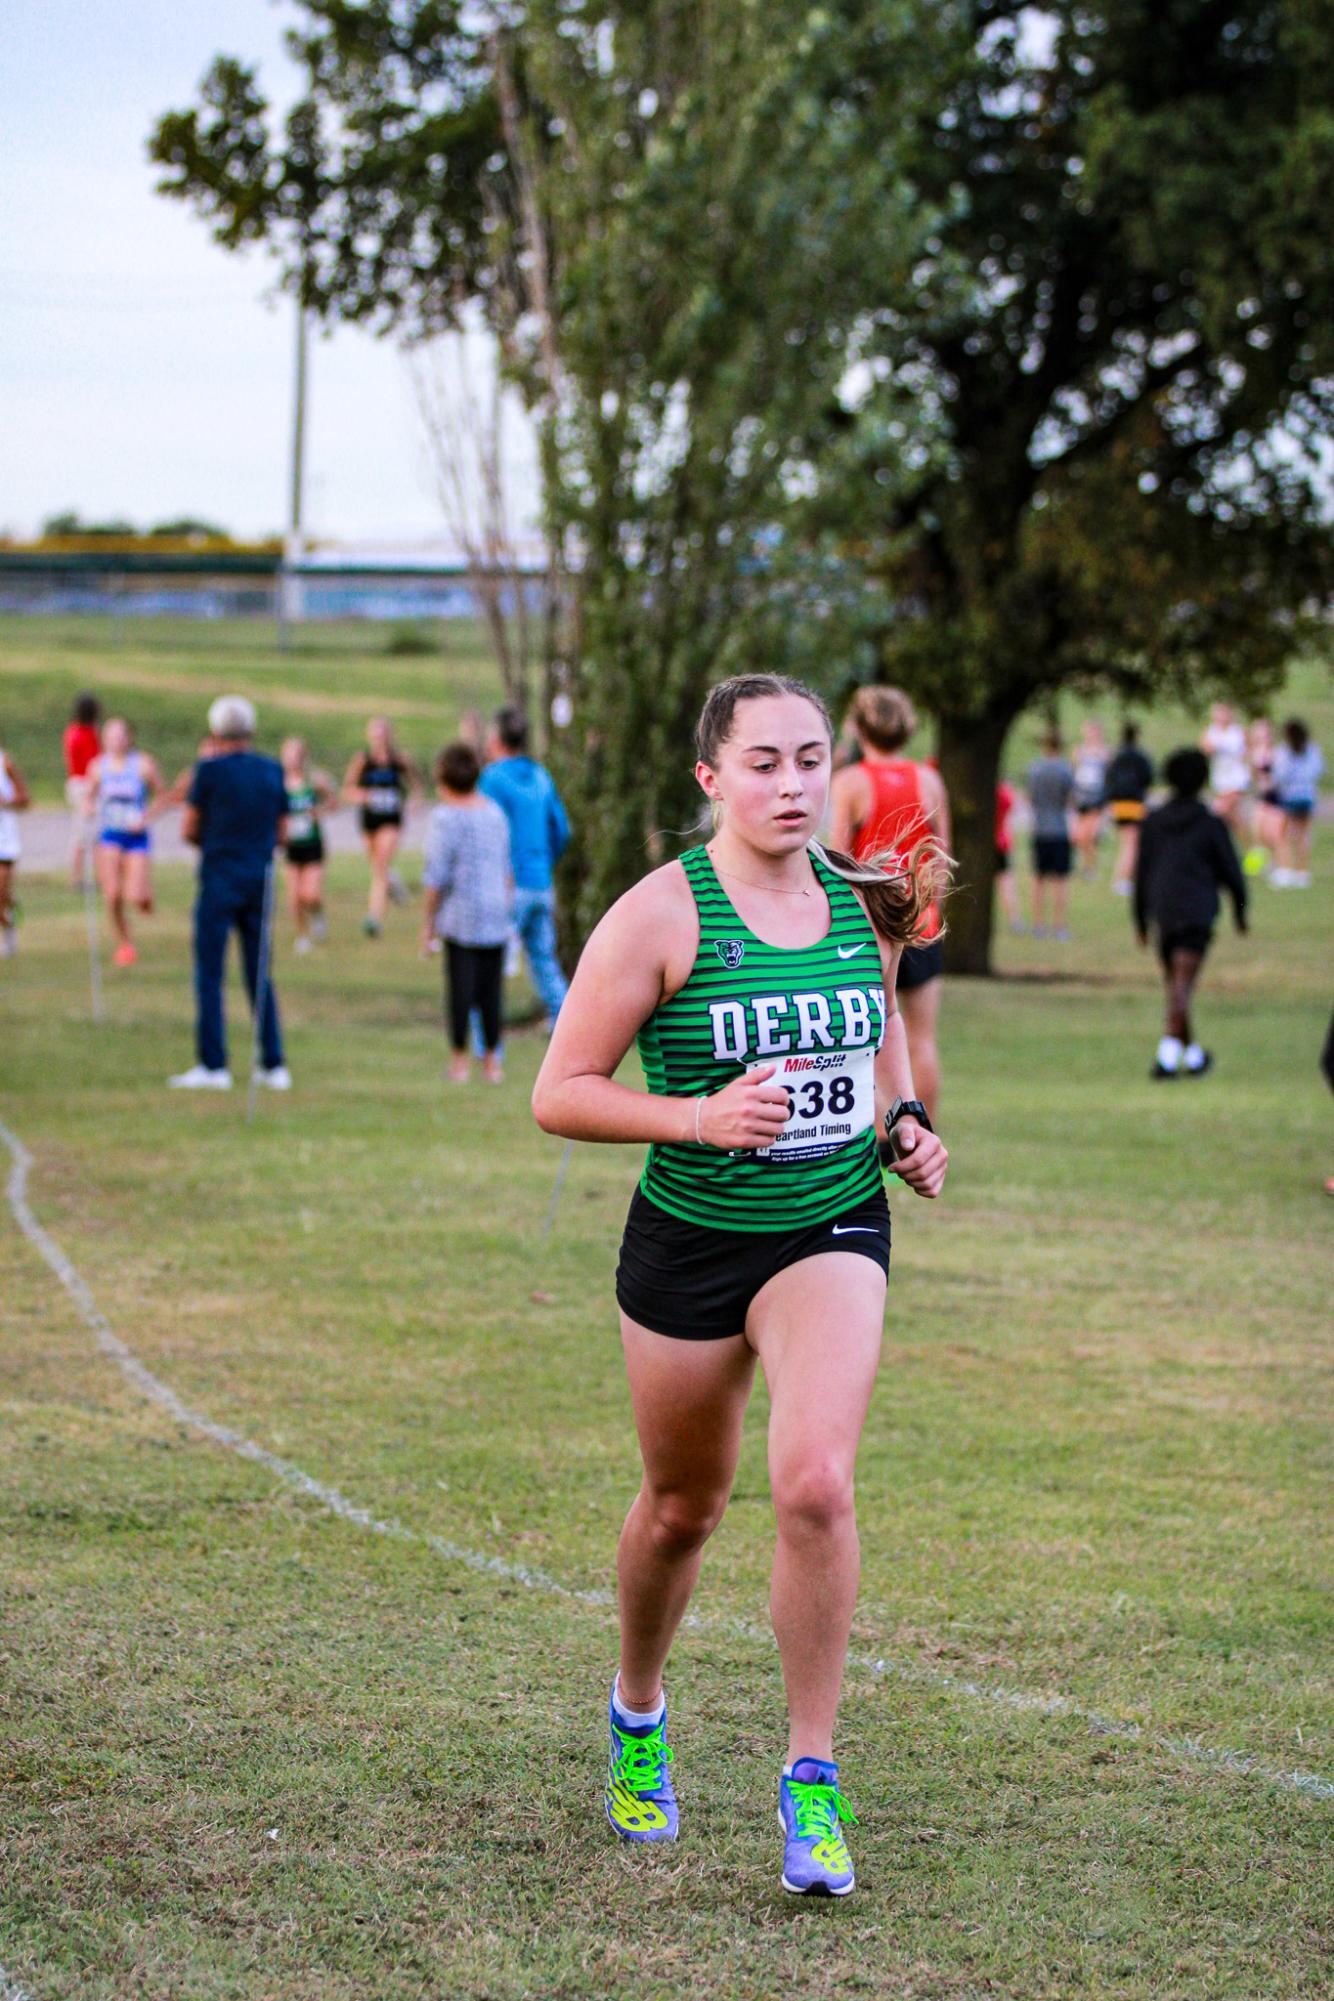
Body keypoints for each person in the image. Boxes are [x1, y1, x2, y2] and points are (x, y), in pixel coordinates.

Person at [531, 672, 949, 1898]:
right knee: (681, 1508)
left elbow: (875, 1036)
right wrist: (696, 1116)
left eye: (809, 759)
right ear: (710, 779)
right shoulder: (660, 916)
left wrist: (905, 1121)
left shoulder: (863, 901)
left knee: (813, 1485)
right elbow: (560, 1088)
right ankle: (638, 1713)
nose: (791, 784)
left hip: (827, 1224)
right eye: (761, 763)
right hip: (689, 1244)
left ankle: (809, 1786)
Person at [828, 686, 949, 1125]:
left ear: (859, 728)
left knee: (867, 1040)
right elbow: (941, 855)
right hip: (921, 921)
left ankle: (881, 1134)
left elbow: (836, 859)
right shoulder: (929, 779)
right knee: (921, 1039)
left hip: (867, 927)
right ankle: (923, 1135)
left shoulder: (850, 782)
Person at [169, 697, 289, 1091]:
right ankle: (274, 1063)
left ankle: (213, 1064)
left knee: (210, 972)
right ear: (251, 732)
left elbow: (188, 827)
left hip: (219, 876)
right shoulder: (273, 771)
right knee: (258, 971)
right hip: (259, 877)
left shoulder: (208, 771)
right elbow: (283, 832)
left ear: (216, 733)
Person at [1133, 747, 1247, 1079]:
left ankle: (1192, 1058)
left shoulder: (1154, 822)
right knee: (1180, 986)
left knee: (1177, 985)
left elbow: (1142, 873)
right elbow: (1231, 871)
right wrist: (1240, 912)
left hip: (1163, 911)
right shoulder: (1210, 824)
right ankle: (1168, 1059)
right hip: (1197, 911)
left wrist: (1140, 919)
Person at [421, 743, 513, 1084]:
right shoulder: (495, 813)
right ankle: (492, 1062)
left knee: (461, 990)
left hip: (460, 916)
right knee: (491, 992)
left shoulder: (445, 818)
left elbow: (436, 876)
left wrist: (427, 923)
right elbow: (506, 867)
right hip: (496, 912)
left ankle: (459, 1061)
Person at [479, 705, 571, 1031]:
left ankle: (483, 1043)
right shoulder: (540, 776)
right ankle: (566, 1027)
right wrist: (544, 861)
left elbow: (486, 832)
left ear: (497, 738)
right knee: (545, 963)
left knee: (486, 965)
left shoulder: (492, 779)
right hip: (541, 883)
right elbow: (562, 829)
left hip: (508, 886)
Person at [84, 717, 164, 968]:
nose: (116, 741)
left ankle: (145, 898)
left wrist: (146, 818)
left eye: (120, 736)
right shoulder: (98, 767)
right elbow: (89, 797)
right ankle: (125, 944)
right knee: (113, 895)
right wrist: (88, 809)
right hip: (110, 836)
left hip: (136, 838)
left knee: (135, 895)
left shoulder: (143, 765)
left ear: (129, 738)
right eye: (111, 736)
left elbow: (163, 797)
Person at [343, 718, 421, 937]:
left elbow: (416, 784)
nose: (380, 738)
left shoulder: (400, 760)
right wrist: (363, 796)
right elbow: (348, 789)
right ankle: (393, 882)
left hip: (391, 819)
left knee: (380, 866)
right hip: (369, 820)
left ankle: (374, 919)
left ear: (390, 735)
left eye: (383, 733)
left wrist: (415, 799)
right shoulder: (363, 760)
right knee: (378, 866)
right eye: (376, 734)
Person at [280, 737, 337, 952]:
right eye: (288, 754)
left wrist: (319, 812)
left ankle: (317, 913)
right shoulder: (280, 782)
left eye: (296, 754)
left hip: (313, 844)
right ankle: (302, 937)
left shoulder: (315, 781)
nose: (292, 759)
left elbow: (333, 803)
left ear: (303, 757)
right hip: (291, 846)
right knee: (294, 897)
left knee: (310, 894)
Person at [1025, 729, 1076, 938]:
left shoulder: (1035, 770)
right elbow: (1070, 800)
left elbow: (1031, 799)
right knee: (1060, 881)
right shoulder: (1065, 771)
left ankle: (1038, 925)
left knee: (1038, 879)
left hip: (1040, 829)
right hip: (1059, 830)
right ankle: (1059, 926)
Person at [1271, 719, 1323, 888]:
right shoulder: (1312, 749)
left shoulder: (1284, 751)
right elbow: (1318, 770)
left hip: (1289, 796)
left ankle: (1286, 870)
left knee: (1283, 834)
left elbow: (1280, 774)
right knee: (1303, 834)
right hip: (1307, 795)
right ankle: (1303, 871)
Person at [1104, 722, 1154, 895]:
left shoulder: (1117, 757)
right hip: (1134, 803)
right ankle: (1121, 879)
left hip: (1118, 804)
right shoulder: (1140, 757)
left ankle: (1130, 878)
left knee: (1128, 842)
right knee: (1131, 843)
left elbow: (1108, 778)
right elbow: (1148, 777)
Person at [63, 692, 102, 888]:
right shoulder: (86, 734)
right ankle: (78, 878)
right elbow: (94, 761)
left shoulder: (72, 731)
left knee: (85, 832)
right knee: (84, 833)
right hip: (85, 784)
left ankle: (86, 875)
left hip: (75, 782)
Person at [0, 741, 32, 959]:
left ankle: (8, 924)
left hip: (4, 839)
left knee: (0, 894)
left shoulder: (4, 762)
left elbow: (25, 799)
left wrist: (7, 802)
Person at [1202, 702, 1249, 838]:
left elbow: (1247, 753)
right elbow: (1205, 749)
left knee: (1219, 810)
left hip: (1236, 779)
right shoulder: (1210, 732)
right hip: (1221, 779)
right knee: (1232, 818)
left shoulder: (1238, 732)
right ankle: (1244, 847)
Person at [1245, 718, 1282, 877]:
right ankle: (1264, 863)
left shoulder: (1276, 753)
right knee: (1258, 831)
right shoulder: (1254, 754)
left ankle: (1278, 865)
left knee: (1273, 833)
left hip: (1275, 796)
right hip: (1261, 795)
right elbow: (1252, 776)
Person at [1071, 719, 1108, 878]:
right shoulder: (1078, 751)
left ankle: (1090, 867)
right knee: (1080, 836)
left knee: (1091, 834)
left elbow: (1108, 775)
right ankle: (1084, 865)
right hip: (1081, 796)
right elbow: (1073, 773)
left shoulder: (1105, 752)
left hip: (1096, 796)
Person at [994, 778, 1020, 930]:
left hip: (995, 842)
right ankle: (1014, 919)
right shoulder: (1004, 794)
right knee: (1006, 881)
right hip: (1001, 842)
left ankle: (1014, 919)